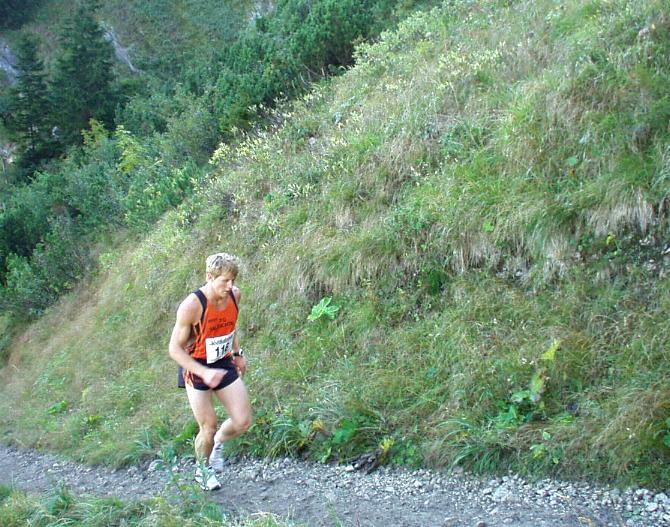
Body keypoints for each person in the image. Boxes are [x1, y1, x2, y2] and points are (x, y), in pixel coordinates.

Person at [169, 252, 252, 490]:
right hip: (195, 366)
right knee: (208, 426)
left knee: (243, 421)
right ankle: (202, 471)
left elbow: (230, 325)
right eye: (225, 281)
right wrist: (203, 372)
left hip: (223, 361)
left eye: (233, 280)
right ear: (209, 277)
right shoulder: (192, 306)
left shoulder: (234, 295)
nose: (230, 286)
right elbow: (174, 349)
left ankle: (218, 443)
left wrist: (237, 353)